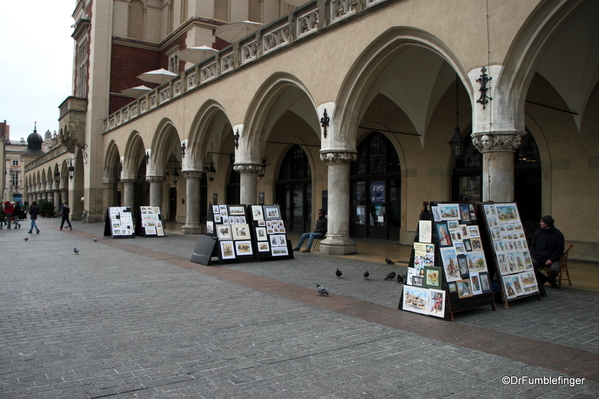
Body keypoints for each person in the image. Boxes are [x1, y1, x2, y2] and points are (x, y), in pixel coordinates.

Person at [530, 215, 564, 296]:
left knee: (555, 269)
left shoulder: (557, 234)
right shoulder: (538, 233)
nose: (540, 223)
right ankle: (538, 281)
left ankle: (551, 280)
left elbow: (559, 249)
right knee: (531, 266)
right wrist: (536, 256)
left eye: (542, 222)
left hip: (551, 258)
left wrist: (551, 259)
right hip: (539, 257)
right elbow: (533, 245)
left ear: (547, 223)